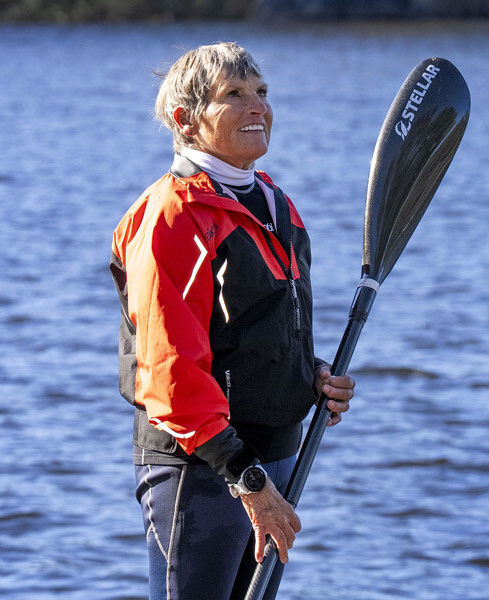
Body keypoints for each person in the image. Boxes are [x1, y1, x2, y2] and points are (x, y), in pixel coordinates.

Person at [109, 42, 356, 600]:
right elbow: (169, 370)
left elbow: (253, 329)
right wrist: (246, 478)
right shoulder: (170, 214)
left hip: (275, 454)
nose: (258, 108)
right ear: (185, 121)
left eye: (262, 93)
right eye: (234, 95)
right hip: (202, 470)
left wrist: (309, 375)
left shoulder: (274, 203)